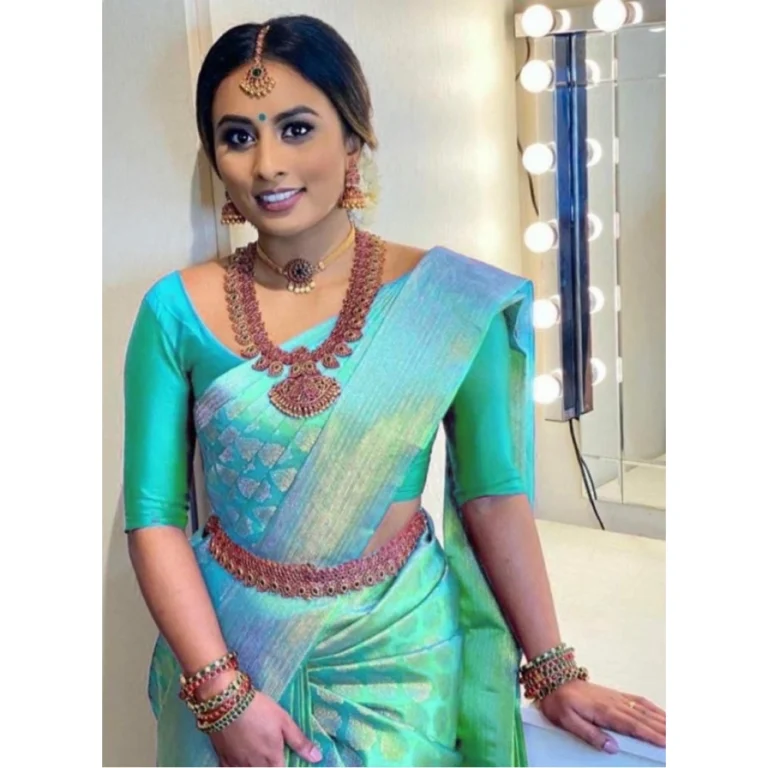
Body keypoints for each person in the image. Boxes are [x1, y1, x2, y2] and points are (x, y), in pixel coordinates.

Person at [123, 15, 666, 767]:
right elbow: (154, 517)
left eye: (297, 128)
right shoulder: (174, 310)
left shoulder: (448, 300)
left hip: (400, 662)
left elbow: (493, 497)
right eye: (238, 136)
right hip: (227, 653)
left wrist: (553, 671)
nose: (268, 164)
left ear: (354, 137)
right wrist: (222, 696)